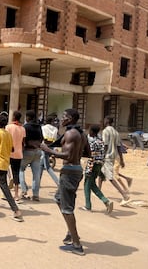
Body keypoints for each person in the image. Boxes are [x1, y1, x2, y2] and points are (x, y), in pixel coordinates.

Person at [41, 108, 90, 256]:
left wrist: (47, 150)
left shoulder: (70, 133)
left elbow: (67, 155)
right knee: (59, 199)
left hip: (69, 172)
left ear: (70, 118)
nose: (61, 119)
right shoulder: (81, 134)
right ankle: (70, 231)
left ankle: (76, 245)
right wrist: (76, 152)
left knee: (67, 208)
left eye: (63, 117)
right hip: (76, 169)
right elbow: (87, 153)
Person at [81, 125, 113, 214]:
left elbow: (90, 155)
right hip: (99, 165)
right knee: (91, 184)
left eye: (89, 130)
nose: (88, 132)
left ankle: (91, 204)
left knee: (87, 184)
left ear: (92, 132)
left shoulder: (93, 142)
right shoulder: (101, 142)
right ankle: (104, 201)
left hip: (92, 164)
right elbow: (102, 155)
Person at [99, 116, 131, 205]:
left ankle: (124, 195)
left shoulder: (105, 131)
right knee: (101, 173)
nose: (103, 121)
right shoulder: (116, 132)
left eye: (105, 119)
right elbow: (119, 147)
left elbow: (105, 145)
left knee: (110, 177)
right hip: (113, 156)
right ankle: (98, 190)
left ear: (107, 121)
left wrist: (102, 156)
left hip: (107, 156)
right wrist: (121, 159)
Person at [19, 110, 43, 201]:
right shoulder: (39, 127)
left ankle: (24, 191)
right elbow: (41, 139)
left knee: (20, 170)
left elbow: (23, 140)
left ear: (28, 117)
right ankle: (36, 195)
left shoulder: (26, 127)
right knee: (36, 174)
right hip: (37, 151)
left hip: (27, 151)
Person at [5, 110, 26, 202]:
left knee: (5, 169)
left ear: (13, 117)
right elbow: (23, 142)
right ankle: (16, 194)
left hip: (9, 152)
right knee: (16, 172)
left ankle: (10, 179)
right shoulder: (22, 128)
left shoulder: (8, 127)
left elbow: (6, 139)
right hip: (18, 153)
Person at [40, 115, 60, 186]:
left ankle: (58, 182)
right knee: (41, 165)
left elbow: (44, 138)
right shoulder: (55, 129)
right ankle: (37, 182)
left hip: (44, 146)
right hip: (51, 146)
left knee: (47, 167)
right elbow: (55, 139)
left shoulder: (43, 128)